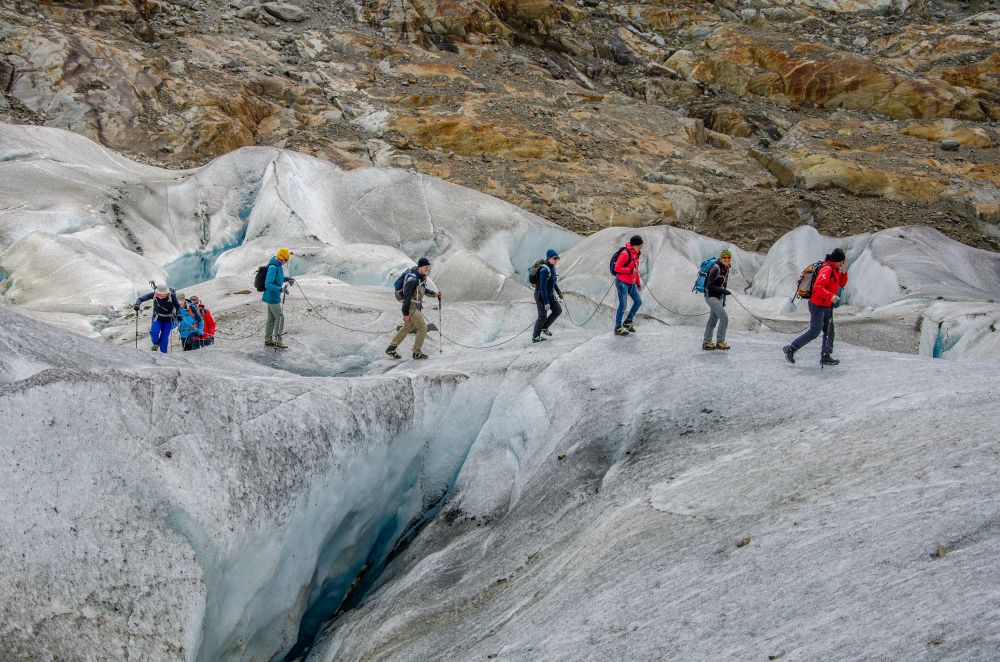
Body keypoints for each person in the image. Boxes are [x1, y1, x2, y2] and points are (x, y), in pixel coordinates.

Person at [783, 248, 849, 366]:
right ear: (839, 260)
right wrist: (830, 295)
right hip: (818, 305)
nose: (843, 263)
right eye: (842, 261)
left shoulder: (836, 270)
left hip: (827, 305)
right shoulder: (827, 269)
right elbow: (818, 287)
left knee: (829, 331)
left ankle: (826, 356)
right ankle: (791, 348)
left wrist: (844, 271)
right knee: (815, 331)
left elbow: (842, 284)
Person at [386, 257, 441, 360]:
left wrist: (435, 294)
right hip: (411, 306)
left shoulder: (421, 277)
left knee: (407, 327)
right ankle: (416, 352)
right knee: (422, 328)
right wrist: (405, 314)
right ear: (420, 267)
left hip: (415, 305)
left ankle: (391, 348)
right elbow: (406, 298)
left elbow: (423, 290)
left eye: (428, 267)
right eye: (425, 267)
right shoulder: (413, 280)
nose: (427, 269)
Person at [263, 247, 295, 349]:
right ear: (282, 258)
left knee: (272, 318)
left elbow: (279, 278)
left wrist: (288, 279)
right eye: (286, 260)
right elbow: (268, 284)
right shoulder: (273, 267)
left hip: (273, 296)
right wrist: (280, 289)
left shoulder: (278, 265)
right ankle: (278, 340)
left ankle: (268, 339)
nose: (286, 262)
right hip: (272, 297)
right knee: (280, 318)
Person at [134, 285, 180, 353]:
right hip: (157, 318)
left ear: (167, 293)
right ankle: (156, 343)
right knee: (154, 332)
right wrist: (137, 305)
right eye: (159, 294)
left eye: (163, 295)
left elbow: (178, 306)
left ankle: (164, 355)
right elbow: (140, 299)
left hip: (168, 320)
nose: (161, 296)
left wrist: (178, 314)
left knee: (164, 339)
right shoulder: (154, 294)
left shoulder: (172, 296)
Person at [613, 235, 643, 336]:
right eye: (639, 246)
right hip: (622, 283)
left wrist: (638, 282)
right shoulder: (625, 254)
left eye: (641, 246)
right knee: (623, 305)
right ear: (633, 245)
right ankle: (617, 327)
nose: (640, 247)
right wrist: (630, 270)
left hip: (632, 283)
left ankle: (627, 322)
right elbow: (617, 268)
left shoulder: (636, 254)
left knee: (638, 301)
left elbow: (636, 270)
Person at [532, 249, 564, 343]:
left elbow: (553, 282)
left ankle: (544, 327)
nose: (556, 260)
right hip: (541, 295)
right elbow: (542, 287)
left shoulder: (553, 268)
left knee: (558, 310)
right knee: (542, 315)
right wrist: (546, 302)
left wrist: (559, 292)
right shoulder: (544, 270)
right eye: (554, 258)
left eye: (557, 258)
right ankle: (535, 336)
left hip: (549, 294)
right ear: (549, 258)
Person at [703, 249, 733, 350]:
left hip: (718, 298)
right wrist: (722, 291)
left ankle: (707, 342)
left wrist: (723, 299)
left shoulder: (726, 268)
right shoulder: (716, 268)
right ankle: (720, 342)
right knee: (724, 319)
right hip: (711, 297)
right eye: (724, 257)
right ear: (721, 258)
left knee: (713, 320)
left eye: (728, 257)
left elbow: (723, 285)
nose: (726, 259)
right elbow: (709, 286)